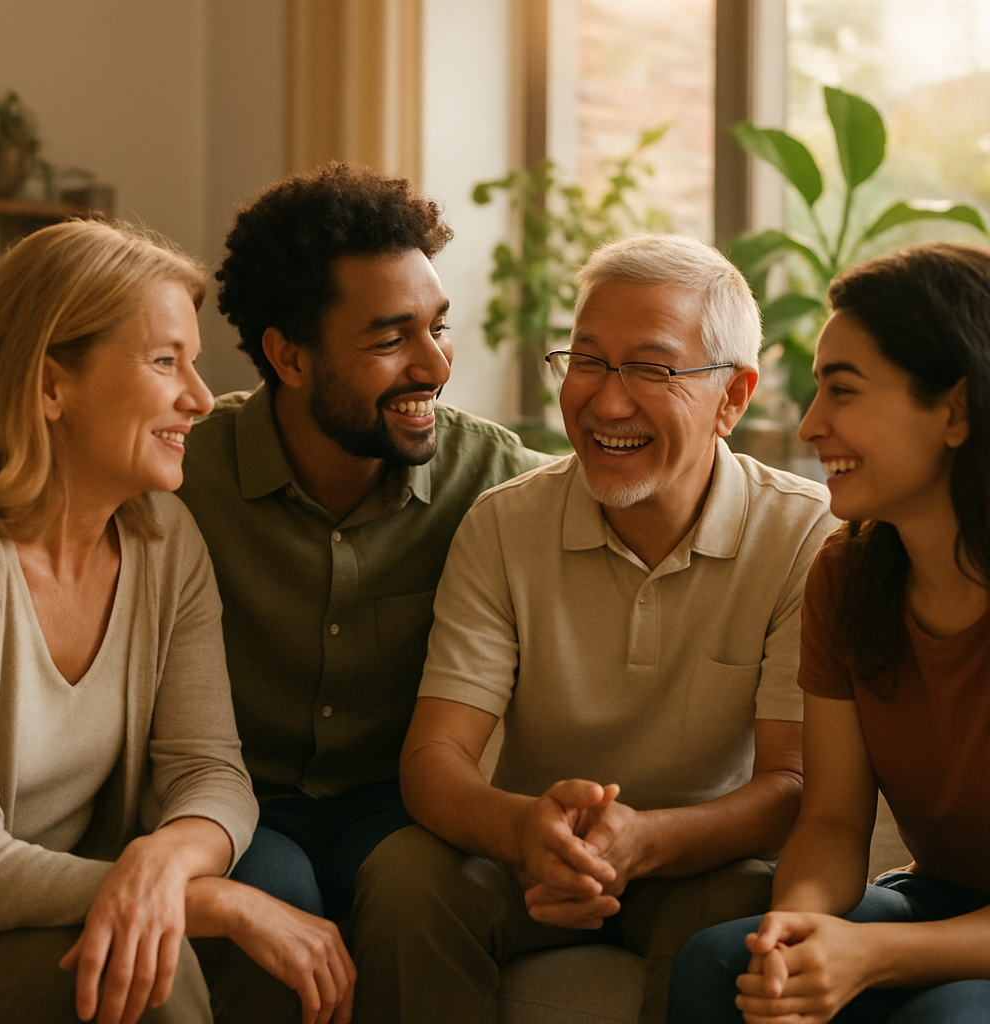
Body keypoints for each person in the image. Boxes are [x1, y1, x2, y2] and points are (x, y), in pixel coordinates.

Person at [349, 232, 838, 1023]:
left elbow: (792, 783)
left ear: (734, 398)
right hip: (530, 856)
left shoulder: (804, 537)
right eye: (586, 361)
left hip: (705, 862)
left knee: (747, 903)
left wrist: (648, 840)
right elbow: (435, 757)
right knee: (407, 874)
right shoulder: (505, 524)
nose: (607, 402)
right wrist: (524, 831)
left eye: (651, 369)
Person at [0, 219, 355, 1024]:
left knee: (215, 937)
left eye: (197, 365)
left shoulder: (161, 539)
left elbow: (209, 769)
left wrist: (163, 861)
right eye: (163, 361)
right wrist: (205, 901)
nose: (201, 400)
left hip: (67, 907)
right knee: (159, 960)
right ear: (50, 386)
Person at [176, 162, 551, 925]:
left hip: (400, 807)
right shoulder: (182, 474)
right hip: (240, 805)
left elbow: (625, 503)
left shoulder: (495, 476)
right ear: (289, 357)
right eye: (390, 339)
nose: (437, 366)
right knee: (271, 894)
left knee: (418, 891)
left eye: (438, 326)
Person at [667, 241, 990, 1024]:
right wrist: (796, 926)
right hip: (943, 898)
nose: (811, 425)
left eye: (841, 391)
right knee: (725, 965)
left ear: (954, 410)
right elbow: (836, 818)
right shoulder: (846, 575)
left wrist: (873, 954)